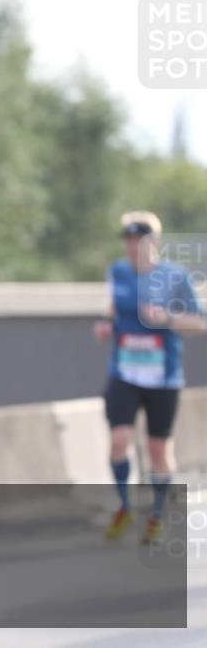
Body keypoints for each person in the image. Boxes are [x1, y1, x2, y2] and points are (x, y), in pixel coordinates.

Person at [95, 211, 205, 544]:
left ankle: (157, 515)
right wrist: (107, 326)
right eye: (128, 240)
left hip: (163, 378)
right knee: (119, 439)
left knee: (158, 451)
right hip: (124, 373)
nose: (132, 246)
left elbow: (200, 323)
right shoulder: (117, 271)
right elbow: (113, 307)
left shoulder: (174, 277)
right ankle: (124, 506)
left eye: (139, 240)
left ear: (154, 242)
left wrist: (166, 318)